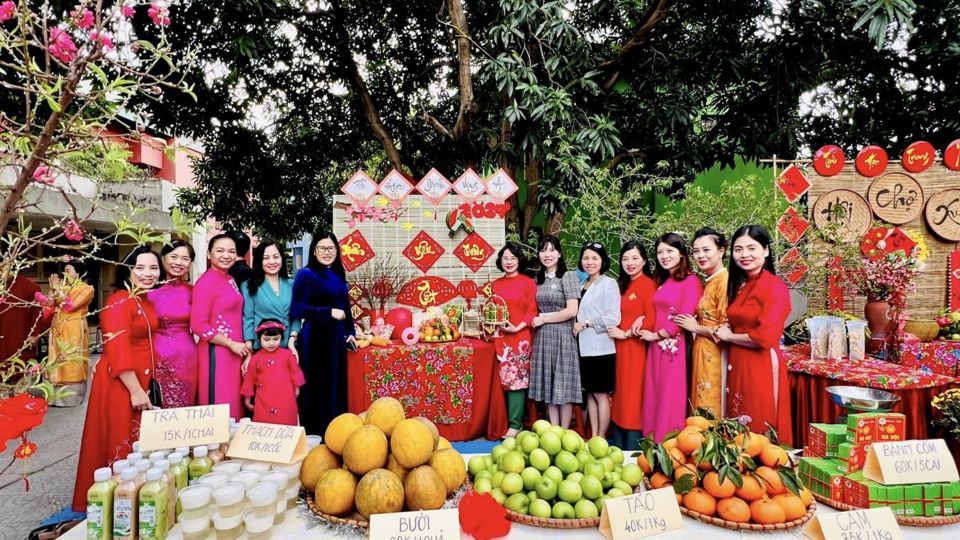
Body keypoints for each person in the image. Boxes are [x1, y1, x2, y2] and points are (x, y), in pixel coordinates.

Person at [72, 246, 162, 511]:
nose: (148, 274)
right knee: (120, 438)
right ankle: (116, 501)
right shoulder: (119, 301)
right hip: (122, 383)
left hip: (141, 381)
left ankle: (134, 497)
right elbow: (118, 346)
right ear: (128, 270)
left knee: (137, 440)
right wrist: (135, 389)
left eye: (153, 268)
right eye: (140, 268)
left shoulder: (143, 299)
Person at [716, 225, 793, 444]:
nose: (744, 254)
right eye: (738, 249)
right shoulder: (744, 285)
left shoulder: (774, 287)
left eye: (752, 248)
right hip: (739, 361)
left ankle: (762, 473)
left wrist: (729, 337)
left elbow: (765, 338)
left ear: (766, 251)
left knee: (759, 423)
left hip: (760, 365)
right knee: (737, 419)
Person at [637, 233, 702, 441]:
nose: (664, 256)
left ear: (681, 253)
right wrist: (642, 317)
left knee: (670, 395)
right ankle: (653, 442)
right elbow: (657, 310)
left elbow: (683, 318)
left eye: (669, 251)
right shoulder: (664, 281)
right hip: (657, 348)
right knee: (655, 394)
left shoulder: (690, 281)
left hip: (675, 348)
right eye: (660, 252)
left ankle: (669, 443)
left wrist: (656, 335)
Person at [291, 232, 355, 435]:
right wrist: (328, 313)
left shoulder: (337, 274)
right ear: (314, 250)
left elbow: (345, 307)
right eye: (322, 248)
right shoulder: (306, 274)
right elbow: (297, 308)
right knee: (317, 388)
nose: (327, 253)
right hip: (315, 338)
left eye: (331, 249)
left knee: (335, 387)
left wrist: (350, 332)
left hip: (335, 339)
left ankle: (335, 435)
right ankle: (315, 436)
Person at [191, 234, 249, 419]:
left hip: (236, 350)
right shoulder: (206, 282)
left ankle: (231, 446)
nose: (226, 255)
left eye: (231, 251)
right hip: (217, 352)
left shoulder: (229, 278)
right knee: (220, 405)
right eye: (220, 251)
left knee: (235, 403)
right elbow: (198, 324)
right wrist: (230, 344)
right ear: (209, 254)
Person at [607, 241, 656, 450]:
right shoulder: (624, 286)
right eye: (625, 258)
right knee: (619, 395)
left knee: (633, 395)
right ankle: (618, 443)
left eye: (635, 258)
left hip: (636, 349)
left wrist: (626, 333)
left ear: (644, 261)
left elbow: (653, 318)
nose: (630, 263)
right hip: (619, 349)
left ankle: (633, 446)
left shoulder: (647, 284)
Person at [675, 228, 729, 416]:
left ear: (721, 251)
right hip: (702, 349)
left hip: (715, 353)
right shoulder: (709, 280)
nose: (700, 255)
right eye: (696, 251)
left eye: (706, 250)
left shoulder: (724, 281)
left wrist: (696, 327)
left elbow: (727, 327)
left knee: (711, 404)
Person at [529, 234, 581, 428]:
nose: (547, 254)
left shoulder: (568, 276)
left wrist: (544, 318)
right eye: (543, 250)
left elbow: (572, 310)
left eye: (552, 250)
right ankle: (553, 429)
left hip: (563, 336)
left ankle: (564, 431)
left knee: (563, 384)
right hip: (544, 338)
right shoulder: (539, 279)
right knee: (549, 384)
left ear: (559, 254)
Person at [573, 242, 621, 440]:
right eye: (586, 258)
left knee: (601, 395)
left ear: (603, 261)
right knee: (591, 393)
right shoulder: (583, 284)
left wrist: (586, 323)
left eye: (594, 258)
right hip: (584, 348)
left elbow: (613, 318)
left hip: (601, 348)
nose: (590, 262)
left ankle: (601, 437)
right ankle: (593, 435)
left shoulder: (608, 283)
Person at [491, 243, 537, 437]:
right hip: (501, 338)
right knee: (504, 381)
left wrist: (517, 327)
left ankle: (515, 425)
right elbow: (492, 310)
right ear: (500, 261)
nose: (509, 262)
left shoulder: (528, 283)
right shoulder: (496, 284)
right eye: (505, 259)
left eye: (513, 258)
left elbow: (532, 310)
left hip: (520, 337)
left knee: (516, 381)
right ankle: (505, 422)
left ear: (519, 261)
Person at [147, 240, 198, 408]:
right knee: (161, 406)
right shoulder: (148, 291)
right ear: (163, 258)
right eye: (174, 256)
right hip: (158, 355)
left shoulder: (193, 291)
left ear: (190, 263)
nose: (179, 262)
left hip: (188, 356)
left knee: (187, 404)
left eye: (185, 258)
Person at [241, 318, 306, 425]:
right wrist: (247, 399)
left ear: (282, 338)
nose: (271, 343)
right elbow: (249, 379)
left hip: (286, 397)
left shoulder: (288, 355)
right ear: (259, 339)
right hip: (263, 399)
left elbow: (296, 373)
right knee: (264, 427)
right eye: (266, 339)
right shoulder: (256, 358)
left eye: (276, 339)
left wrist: (297, 390)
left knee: (287, 424)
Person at [241, 240, 300, 356]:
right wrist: (249, 349)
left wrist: (292, 340)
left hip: (288, 346)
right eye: (266, 258)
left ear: (282, 259)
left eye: (275, 257)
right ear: (259, 261)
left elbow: (296, 316)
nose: (272, 262)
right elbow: (248, 319)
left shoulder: (291, 284)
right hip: (261, 347)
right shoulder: (249, 285)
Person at [48, 260, 95, 399]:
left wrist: (57, 289)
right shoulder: (61, 286)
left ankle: (71, 396)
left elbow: (70, 306)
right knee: (56, 358)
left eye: (68, 270)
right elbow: (49, 303)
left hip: (74, 329)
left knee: (71, 359)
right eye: (64, 271)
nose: (64, 274)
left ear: (78, 273)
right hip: (58, 327)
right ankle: (54, 395)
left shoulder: (87, 289)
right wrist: (52, 290)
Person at [0, 273, 45, 364]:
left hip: (20, 335)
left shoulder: (30, 287)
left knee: (19, 365)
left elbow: (38, 312)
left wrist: (34, 334)